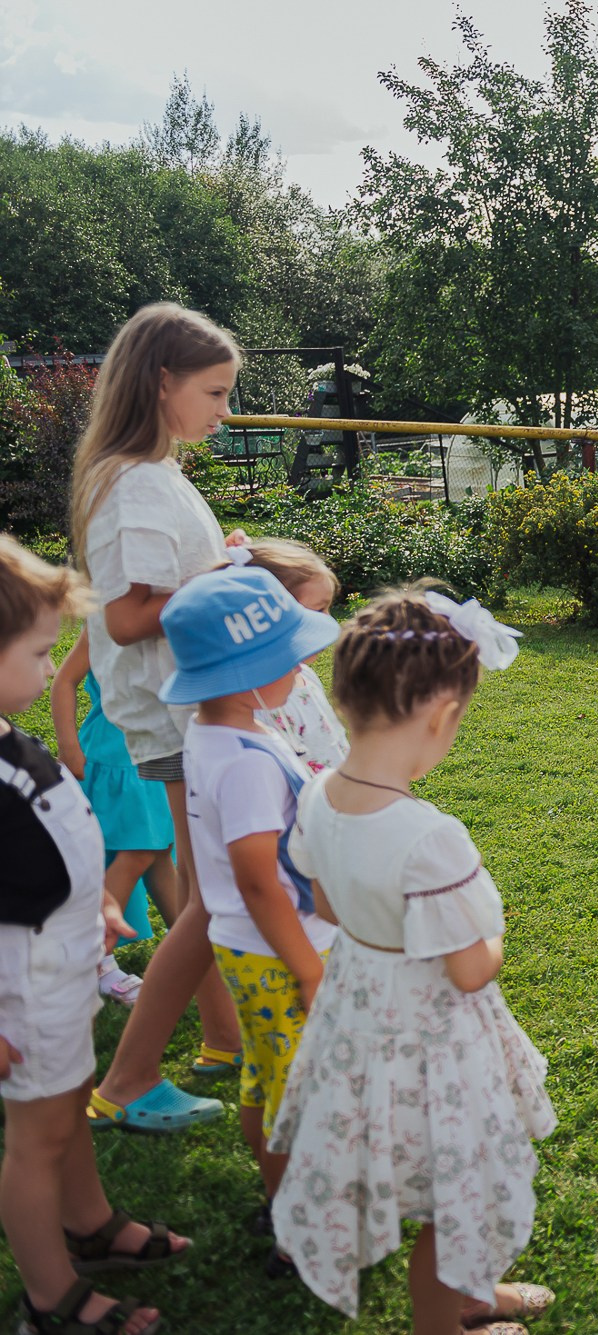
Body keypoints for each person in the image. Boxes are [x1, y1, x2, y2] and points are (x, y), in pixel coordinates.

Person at [272, 586, 554, 1335]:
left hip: (359, 1017)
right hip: (433, 1045)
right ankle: (449, 1319)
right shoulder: (432, 838)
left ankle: (474, 1290)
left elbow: (327, 908)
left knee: (424, 1180)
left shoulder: (317, 797)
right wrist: (493, 937)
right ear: (441, 716)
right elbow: (468, 970)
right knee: (446, 1191)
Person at [0, 533, 189, 1335]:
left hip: (63, 964)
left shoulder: (9, 738)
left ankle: (91, 1221)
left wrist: (98, 907)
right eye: (39, 652)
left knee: (70, 1100)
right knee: (37, 1136)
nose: (52, 672)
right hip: (19, 992)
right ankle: (49, 1295)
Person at [72, 302, 245, 1132]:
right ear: (162, 381)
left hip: (187, 707)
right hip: (177, 714)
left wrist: (221, 563)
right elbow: (129, 617)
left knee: (199, 889)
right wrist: (225, 581)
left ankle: (222, 1036)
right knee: (213, 900)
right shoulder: (136, 485)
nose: (225, 410)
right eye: (214, 393)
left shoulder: (154, 474)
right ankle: (131, 1078)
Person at [158, 563, 340, 1275]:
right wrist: (308, 966)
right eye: (288, 657)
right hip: (274, 952)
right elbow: (259, 881)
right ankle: (305, 1231)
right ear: (247, 673)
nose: (301, 668)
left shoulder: (218, 735)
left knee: (267, 1082)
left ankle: (281, 1201)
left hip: (247, 949)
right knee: (305, 1094)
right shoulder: (246, 761)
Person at [49, 628, 173, 1006]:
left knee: (159, 854)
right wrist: (69, 747)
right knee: (133, 854)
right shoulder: (104, 623)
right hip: (115, 758)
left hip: (157, 755)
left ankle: (199, 943)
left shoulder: (172, 613)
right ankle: (94, 961)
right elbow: (64, 681)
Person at [231, 539, 348, 773]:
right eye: (318, 610)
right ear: (268, 617)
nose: (330, 621)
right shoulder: (261, 703)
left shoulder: (305, 675)